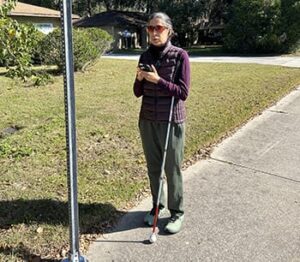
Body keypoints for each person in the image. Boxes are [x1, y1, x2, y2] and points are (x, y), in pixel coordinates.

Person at [133, 12, 190, 234]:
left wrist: (159, 81)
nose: (154, 32)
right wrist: (139, 79)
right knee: (154, 168)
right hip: (147, 120)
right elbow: (137, 93)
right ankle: (158, 207)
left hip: (171, 121)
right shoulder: (144, 56)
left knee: (172, 168)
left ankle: (177, 213)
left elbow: (183, 92)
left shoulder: (180, 56)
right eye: (150, 28)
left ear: (169, 30)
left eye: (159, 28)